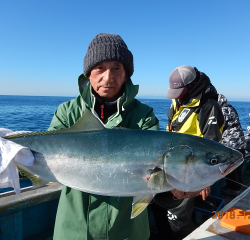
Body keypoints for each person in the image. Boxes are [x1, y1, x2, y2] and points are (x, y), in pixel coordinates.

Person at [47, 33, 161, 240]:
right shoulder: (67, 113)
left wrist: (180, 190)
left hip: (127, 232)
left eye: (116, 68)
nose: (107, 77)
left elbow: (156, 173)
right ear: (88, 73)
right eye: (100, 68)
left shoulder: (144, 116)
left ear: (126, 74)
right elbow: (40, 157)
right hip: (75, 231)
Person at [151, 65, 224, 240]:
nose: (177, 97)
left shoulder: (209, 107)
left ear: (192, 85)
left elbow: (213, 146)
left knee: (178, 219)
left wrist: (205, 181)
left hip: (190, 172)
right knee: (158, 209)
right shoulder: (179, 101)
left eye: (180, 92)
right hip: (169, 166)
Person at [218, 93, 246, 196]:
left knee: (231, 169)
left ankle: (233, 191)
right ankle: (238, 188)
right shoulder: (230, 107)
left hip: (230, 143)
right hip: (240, 141)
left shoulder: (221, 109)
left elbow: (220, 125)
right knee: (239, 167)